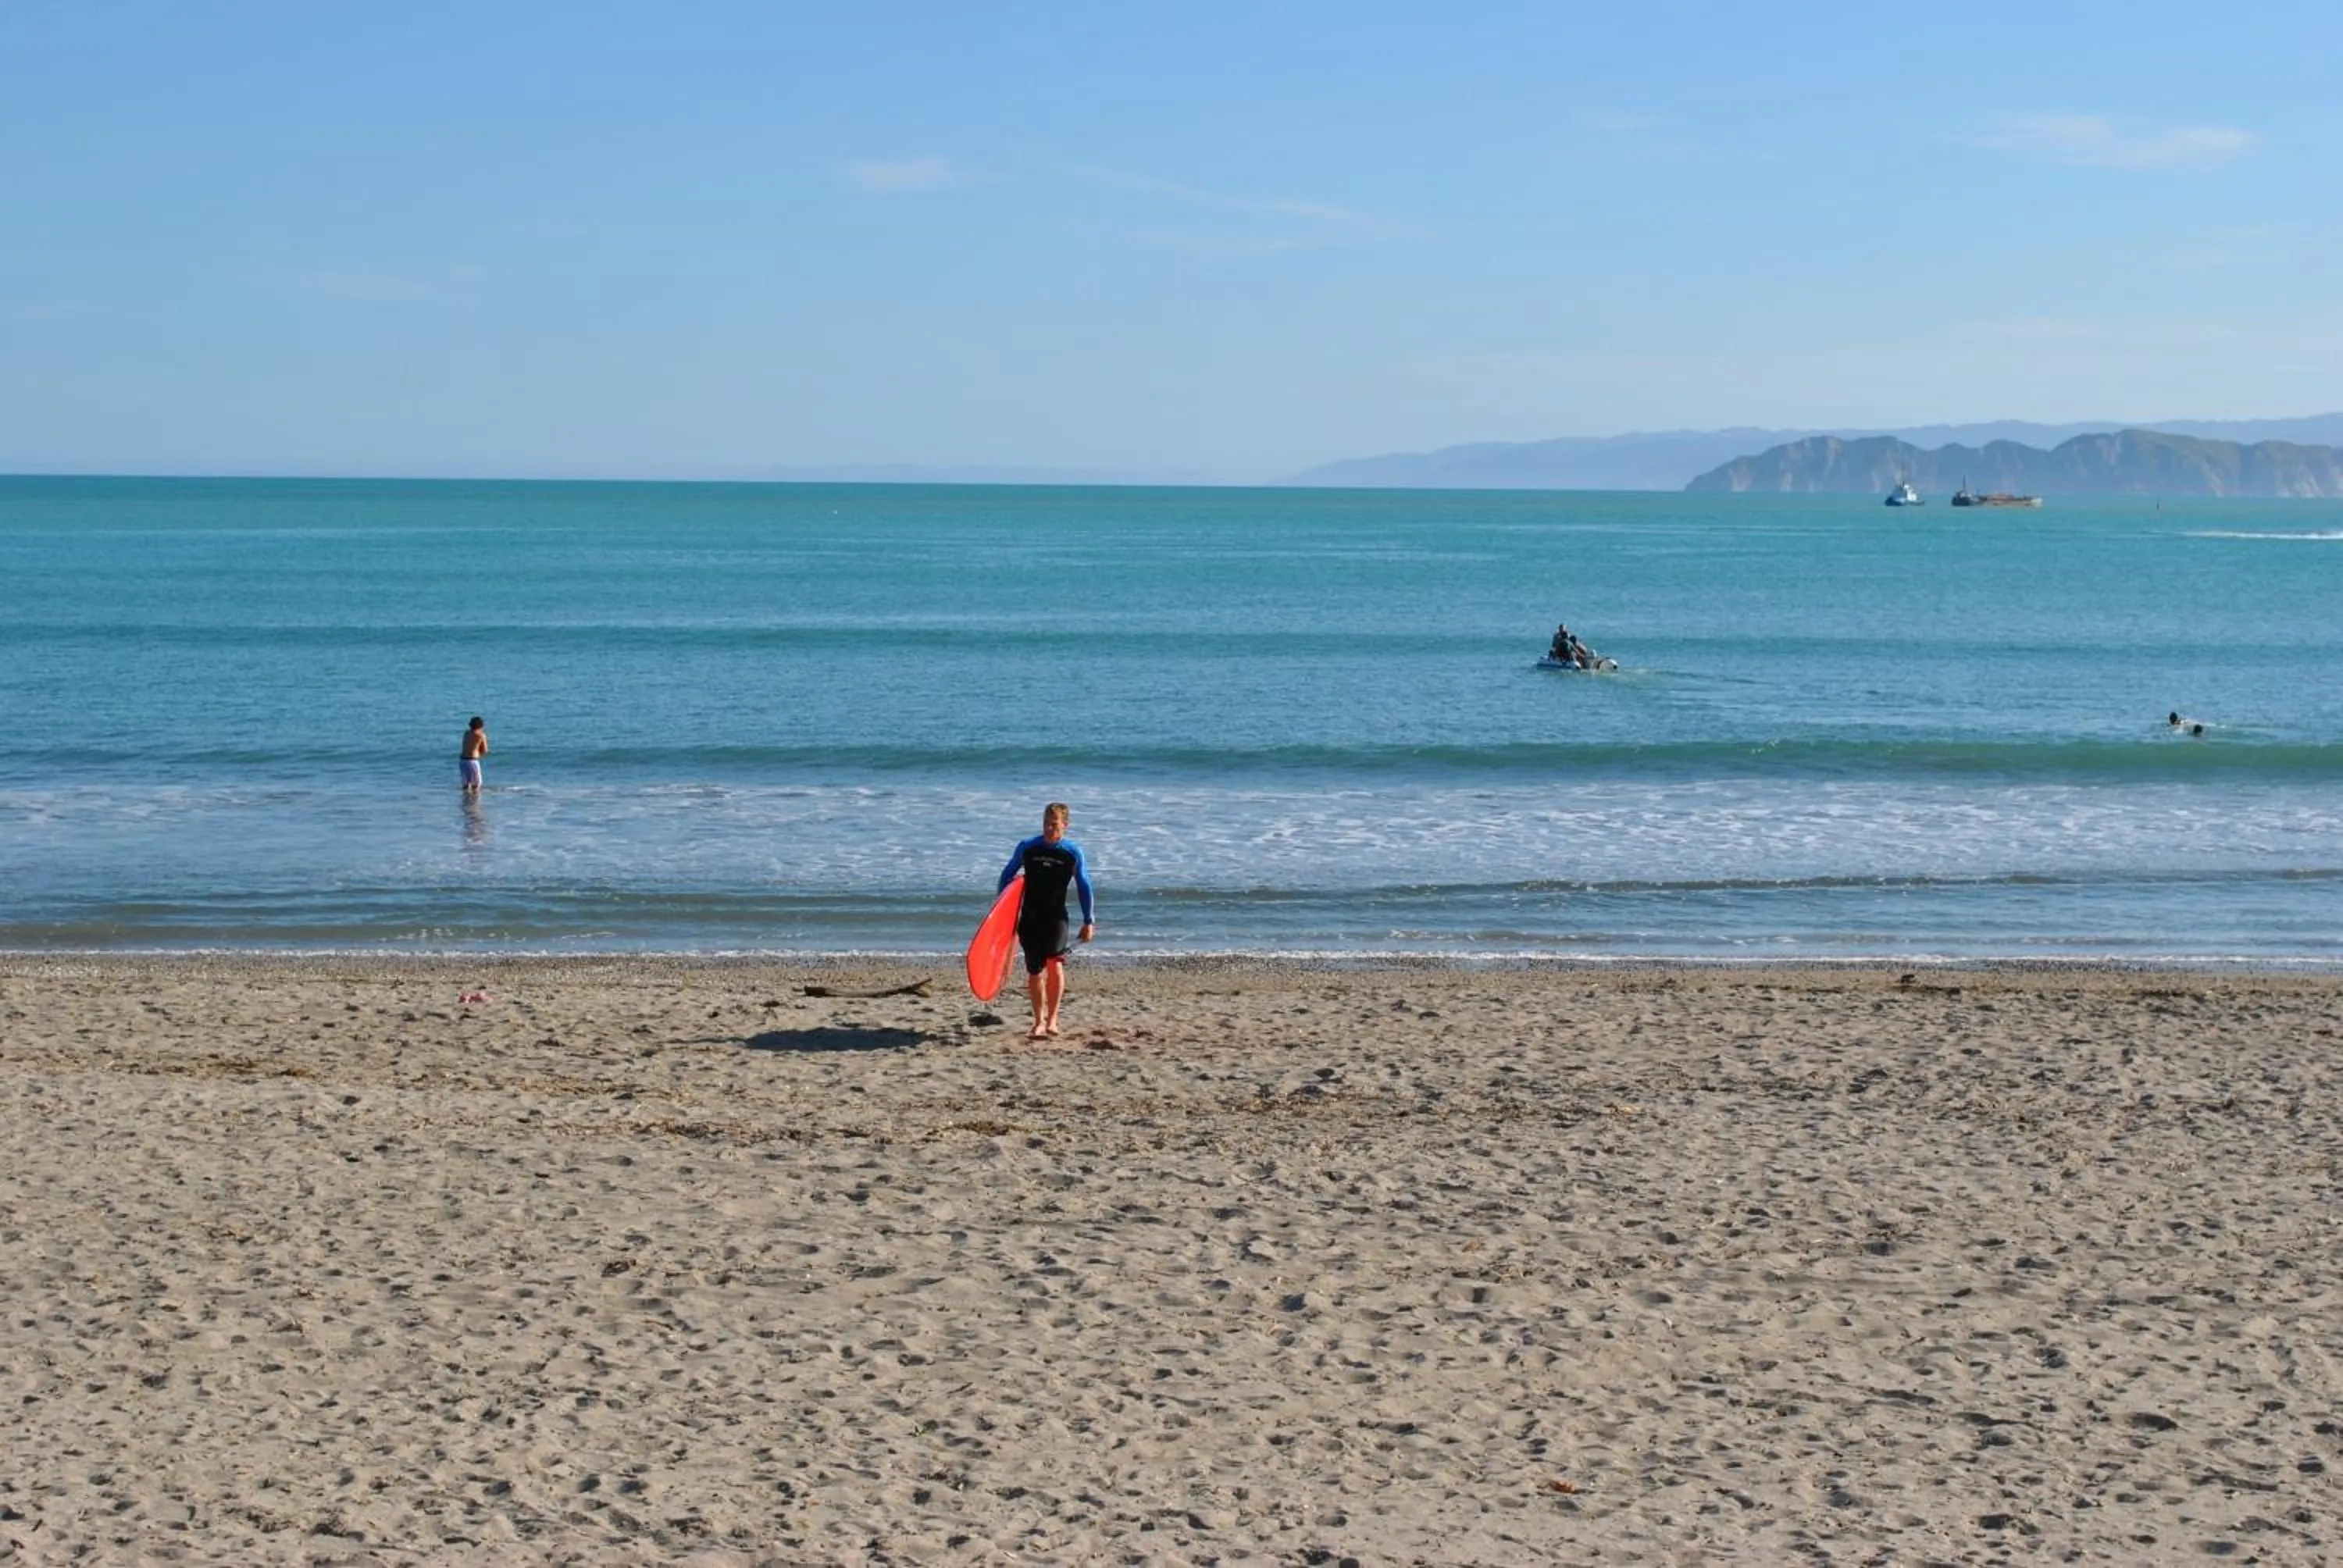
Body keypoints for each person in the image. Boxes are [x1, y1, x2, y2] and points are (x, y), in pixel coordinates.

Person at [997, 802, 1096, 1041]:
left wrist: (1088, 920)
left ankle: (1052, 1020)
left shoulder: (1072, 853)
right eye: (1046, 824)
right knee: (1034, 971)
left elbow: (1084, 887)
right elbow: (1006, 876)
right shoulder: (1028, 848)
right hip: (1029, 918)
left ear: (1065, 825)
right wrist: (1002, 913)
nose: (1049, 829)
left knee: (1055, 963)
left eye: (1054, 825)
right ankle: (1038, 1022)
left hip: (1056, 918)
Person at [459, 716, 489, 793]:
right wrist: (479, 754)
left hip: (463, 760)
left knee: (466, 784)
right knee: (476, 785)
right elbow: (485, 750)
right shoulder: (481, 735)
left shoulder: (466, 733)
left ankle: (466, 801)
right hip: (472, 761)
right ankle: (475, 803)